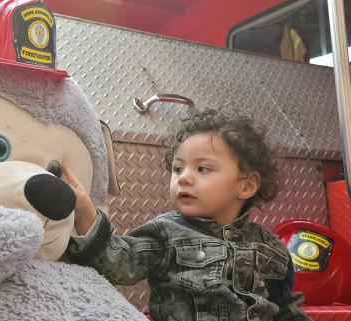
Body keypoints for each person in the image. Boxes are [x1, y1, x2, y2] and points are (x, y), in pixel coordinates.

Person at [63, 108, 311, 321]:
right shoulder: (166, 233)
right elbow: (119, 264)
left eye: (202, 168)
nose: (184, 178)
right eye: (177, 168)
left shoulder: (273, 248)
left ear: (246, 186)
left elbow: (287, 308)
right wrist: (87, 217)